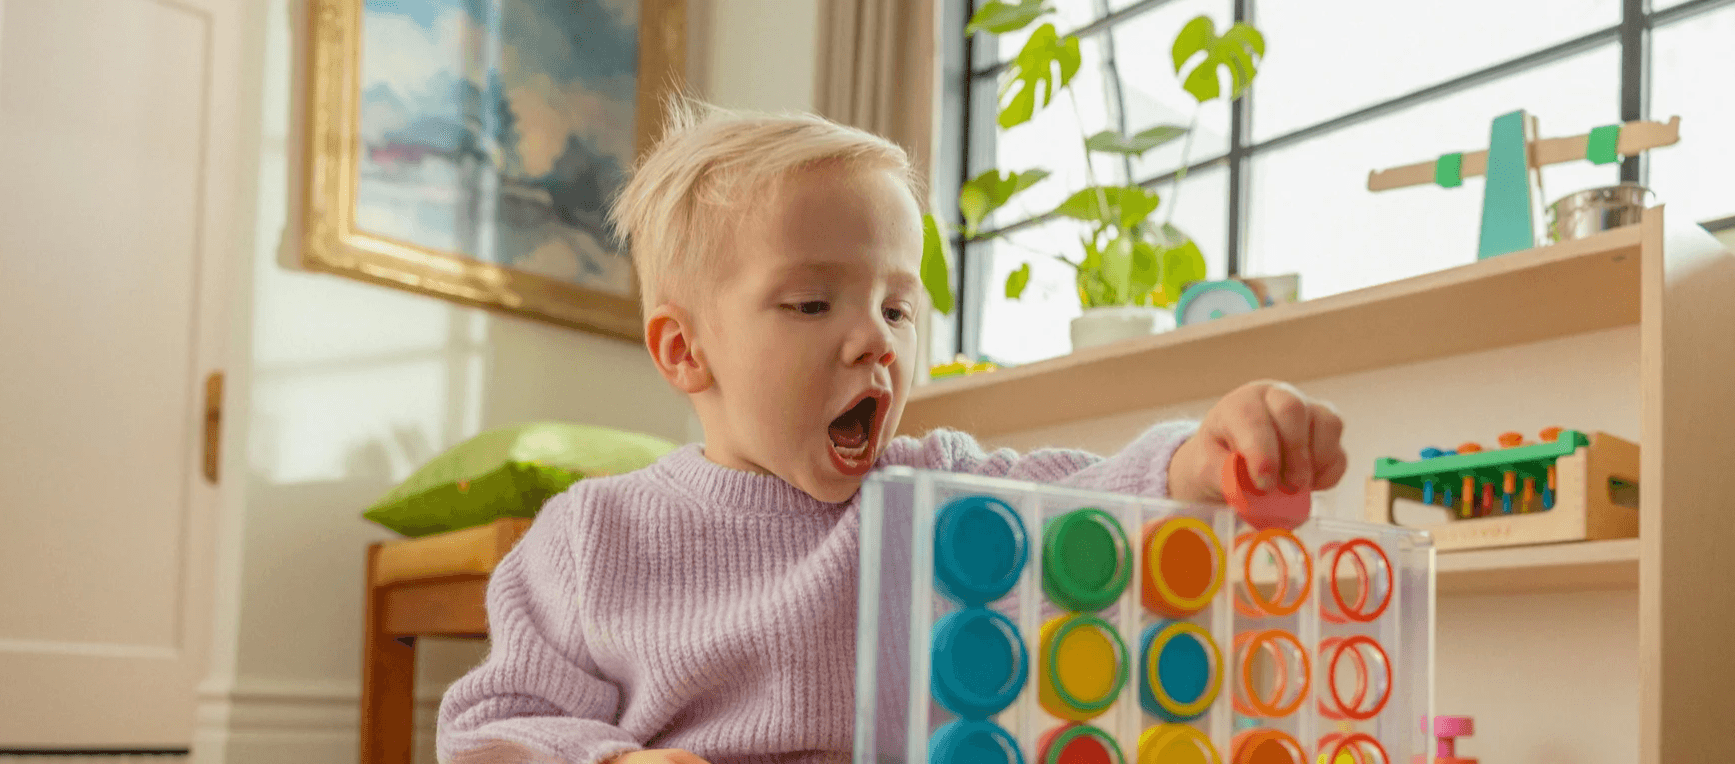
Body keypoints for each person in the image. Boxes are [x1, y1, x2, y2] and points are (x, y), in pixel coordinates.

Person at [435, 98, 1347, 764]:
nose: (874, 337)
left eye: (899, 308)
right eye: (811, 302)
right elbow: (494, 728)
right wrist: (614, 762)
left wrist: (1200, 458)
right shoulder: (592, 538)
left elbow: (1091, 502)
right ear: (684, 350)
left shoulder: (939, 490)